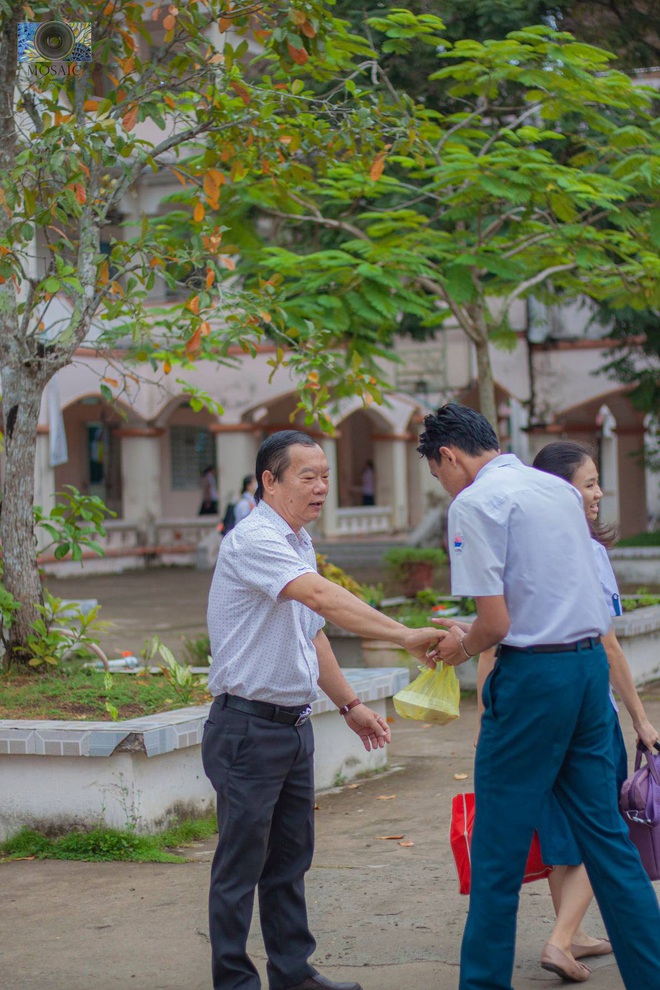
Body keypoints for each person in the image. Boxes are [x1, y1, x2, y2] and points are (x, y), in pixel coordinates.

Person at [417, 403, 660, 990]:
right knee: (607, 842)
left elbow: (494, 625)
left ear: (449, 456)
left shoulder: (474, 503)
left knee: (497, 853)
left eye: (438, 471)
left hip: (533, 681)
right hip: (584, 673)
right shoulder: (554, 492)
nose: (444, 483)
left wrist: (458, 648)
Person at [203, 429, 439, 990]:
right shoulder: (254, 539)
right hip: (246, 729)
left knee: (288, 863)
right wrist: (405, 635)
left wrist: (352, 705)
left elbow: (313, 635)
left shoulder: (297, 542)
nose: (322, 487)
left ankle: (293, 976)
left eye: (326, 476)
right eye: (307, 476)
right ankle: (234, 982)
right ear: (269, 480)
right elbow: (323, 599)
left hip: (290, 727)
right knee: (240, 867)